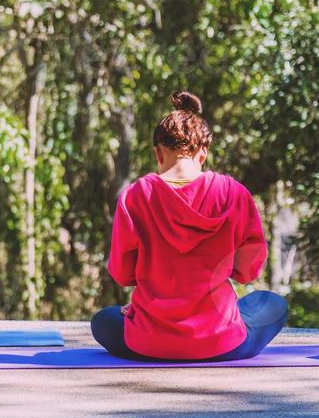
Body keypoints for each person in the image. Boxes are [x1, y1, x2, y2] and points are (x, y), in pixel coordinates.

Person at [91, 90, 288, 361]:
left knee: (103, 320)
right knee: (274, 304)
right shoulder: (234, 193)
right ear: (203, 153)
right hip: (221, 343)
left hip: (150, 343)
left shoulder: (135, 196)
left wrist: (147, 303)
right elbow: (248, 271)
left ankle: (154, 336)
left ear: (158, 153)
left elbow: (123, 273)